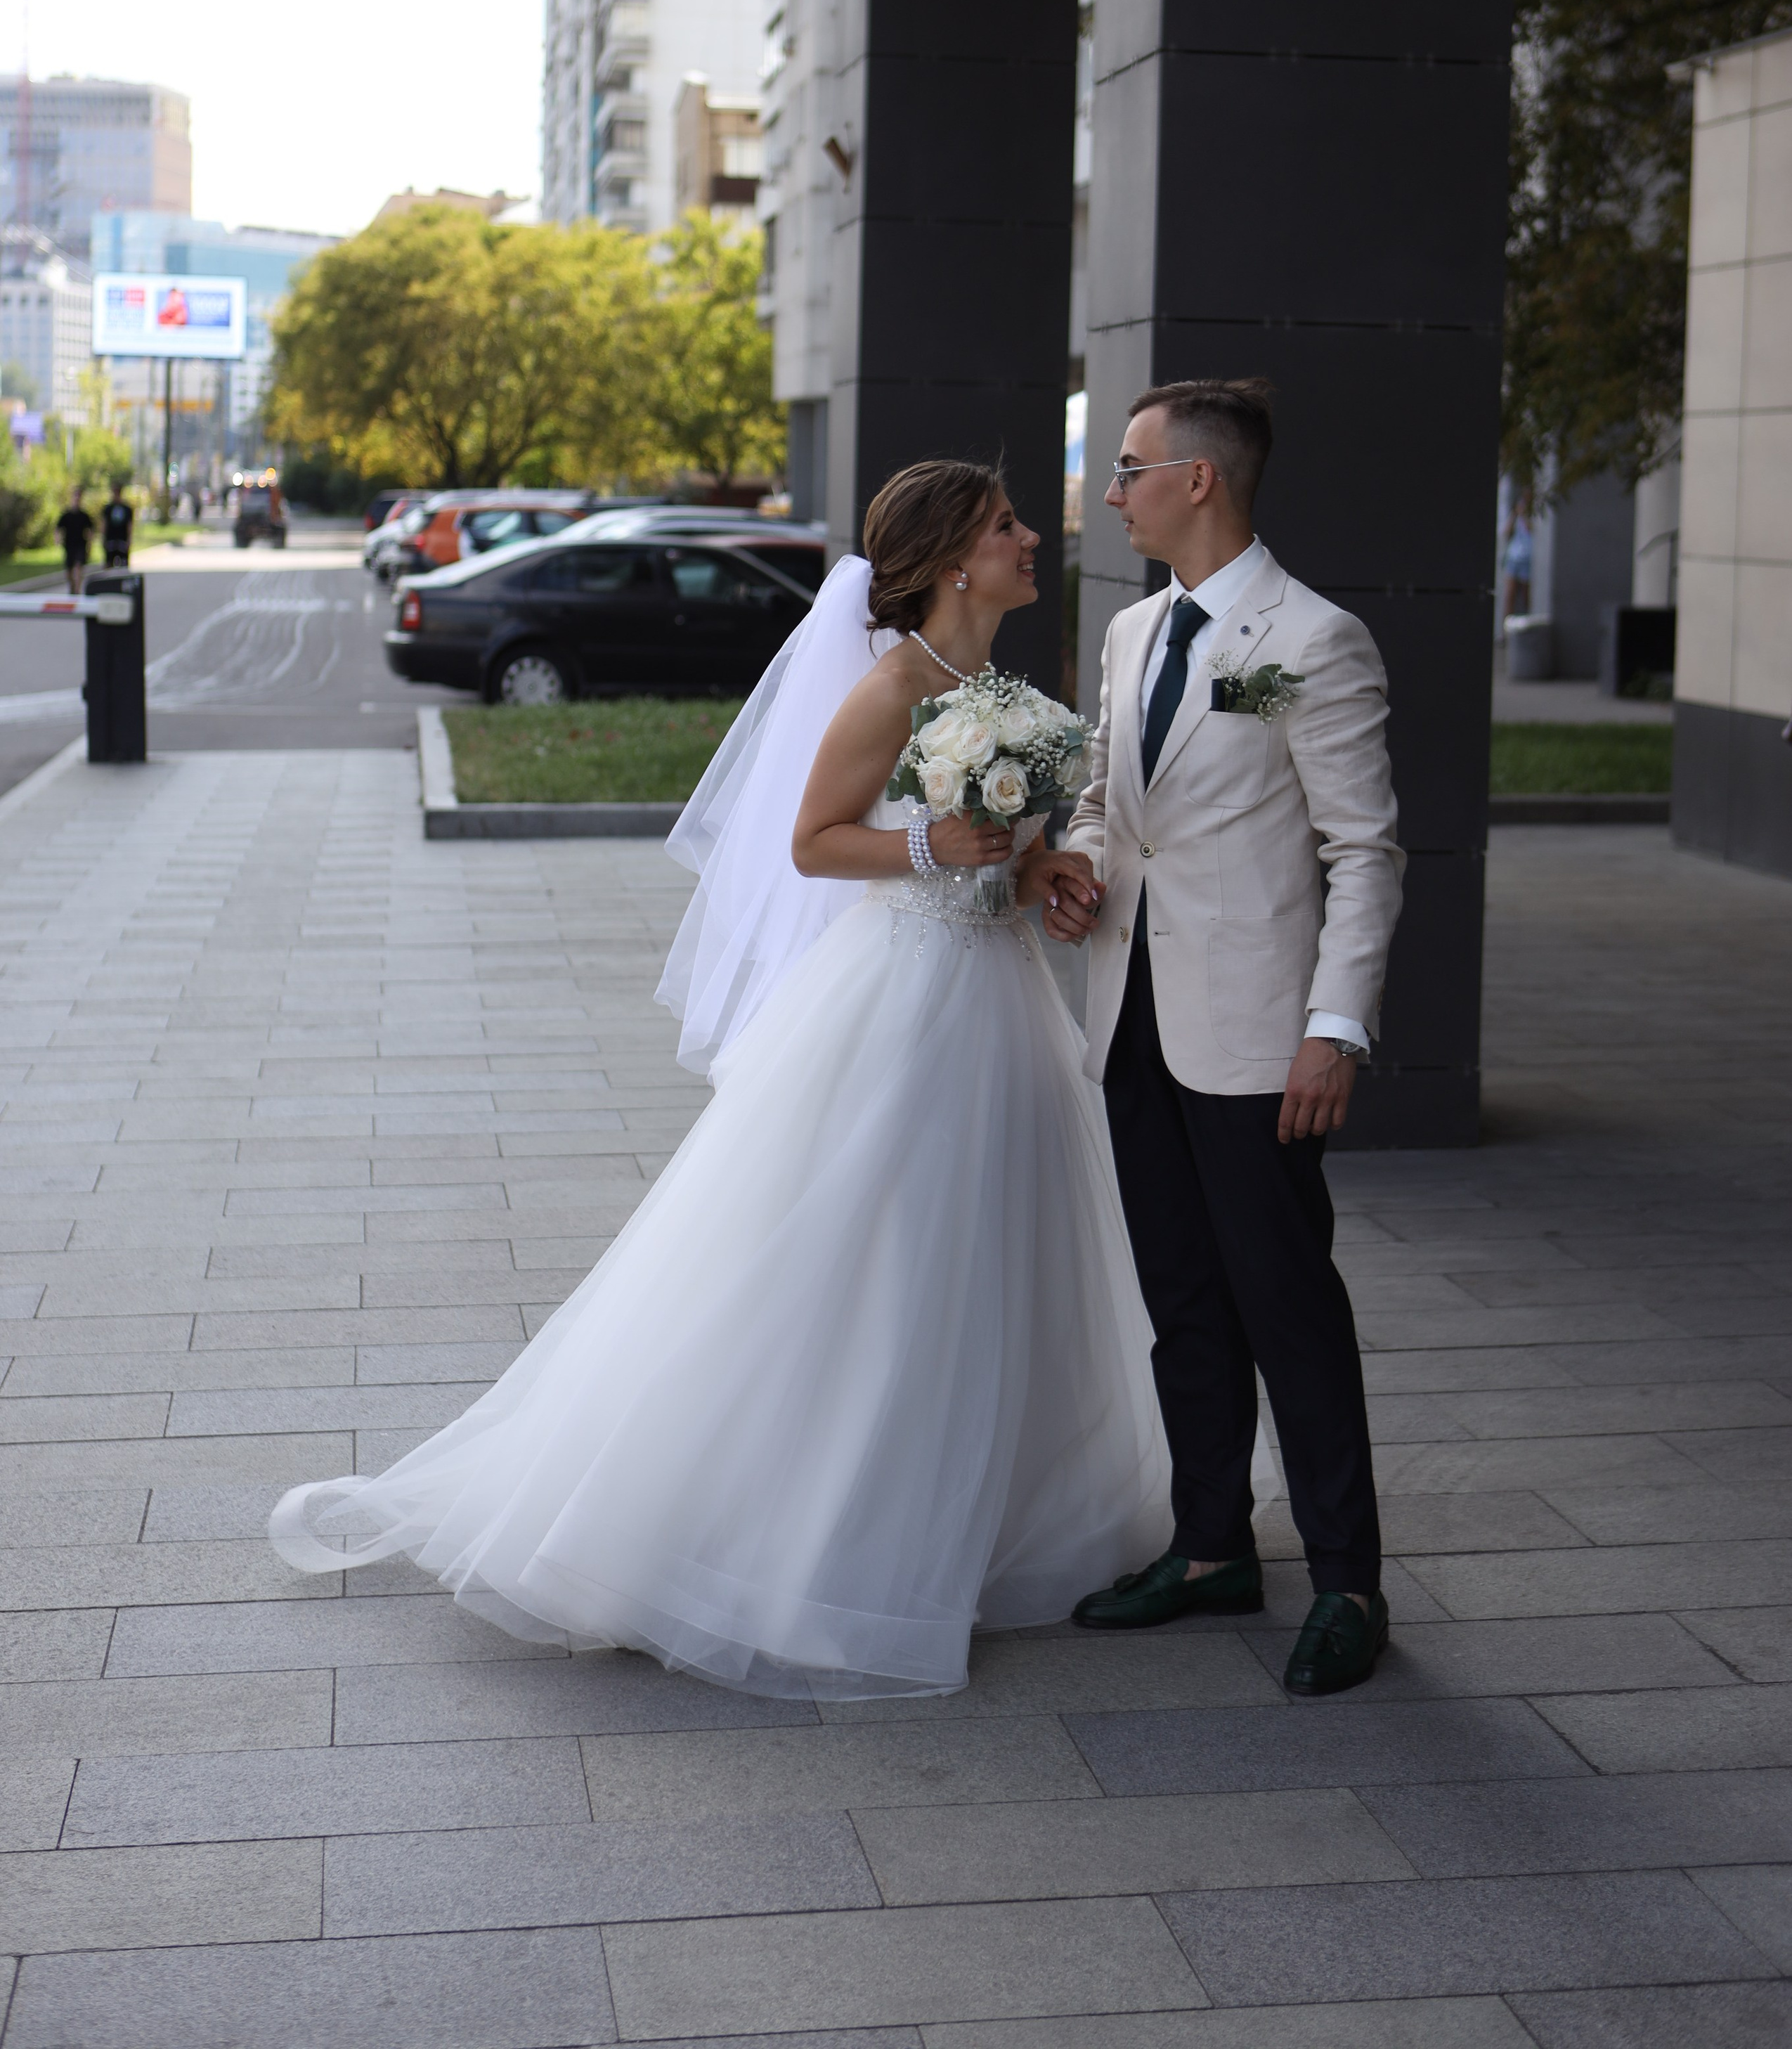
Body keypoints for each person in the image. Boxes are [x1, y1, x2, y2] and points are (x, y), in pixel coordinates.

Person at [271, 460, 1169, 1698]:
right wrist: (928, 840)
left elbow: (988, 856)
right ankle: (802, 1532)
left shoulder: (998, 692)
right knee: (878, 1257)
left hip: (997, 995)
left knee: (990, 1250)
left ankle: (992, 1517)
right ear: (956, 559)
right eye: (1010, 526)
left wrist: (1034, 875)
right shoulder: (893, 686)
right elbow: (813, 843)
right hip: (901, 1004)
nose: (1032, 540)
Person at [1022, 379, 1404, 1698]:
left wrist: (1334, 1027)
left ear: (1202, 481)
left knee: (1289, 1306)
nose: (1109, 491)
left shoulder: (1315, 638)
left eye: (1127, 468)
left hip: (1256, 1036)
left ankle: (1350, 1581)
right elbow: (1105, 804)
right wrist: (1076, 864)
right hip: (1133, 1019)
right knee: (1182, 1303)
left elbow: (1365, 852)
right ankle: (1208, 1549)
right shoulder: (1130, 631)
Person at [55, 488, 93, 591]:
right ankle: (72, 588)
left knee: (78, 568)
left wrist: (90, 547)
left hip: (80, 546)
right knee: (69, 572)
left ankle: (77, 590)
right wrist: (57, 539)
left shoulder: (84, 516)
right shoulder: (66, 515)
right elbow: (58, 528)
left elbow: (89, 532)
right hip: (69, 546)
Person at [100, 481, 134, 568]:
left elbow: (129, 525)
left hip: (122, 540)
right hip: (111, 540)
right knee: (109, 563)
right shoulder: (108, 509)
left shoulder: (126, 509)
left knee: (124, 563)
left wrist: (129, 539)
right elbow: (104, 524)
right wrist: (103, 538)